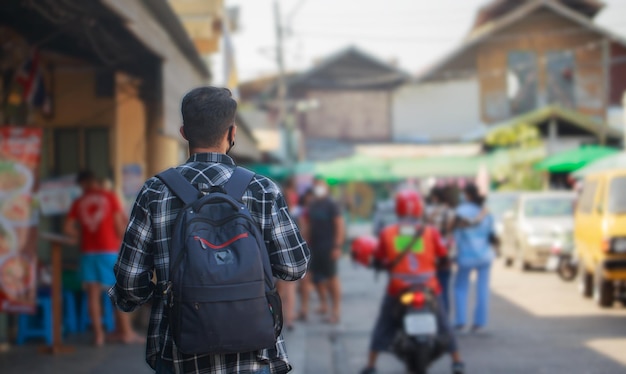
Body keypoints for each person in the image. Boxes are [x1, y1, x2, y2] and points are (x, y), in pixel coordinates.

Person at [108, 87, 310, 374]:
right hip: (253, 358)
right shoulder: (261, 189)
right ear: (232, 133)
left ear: (183, 132)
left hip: (180, 356)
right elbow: (295, 266)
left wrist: (158, 294)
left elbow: (129, 284)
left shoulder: (155, 191)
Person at [361, 190, 464, 374]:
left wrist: (378, 263)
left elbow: (378, 257)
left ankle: (371, 365)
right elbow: (443, 255)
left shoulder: (388, 232)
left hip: (398, 288)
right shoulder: (429, 231)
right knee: (443, 323)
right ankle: (457, 362)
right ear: (419, 209)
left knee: (384, 324)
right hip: (428, 287)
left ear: (398, 209)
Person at [64, 170, 141, 347]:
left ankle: (98, 336)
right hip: (108, 250)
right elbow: (118, 226)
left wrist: (79, 236)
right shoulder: (109, 197)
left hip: (88, 252)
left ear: (83, 184)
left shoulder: (79, 202)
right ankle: (127, 333)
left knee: (92, 295)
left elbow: (68, 228)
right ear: (96, 181)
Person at [453, 183, 495, 333]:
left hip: (465, 256)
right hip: (485, 256)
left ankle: (460, 322)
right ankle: (479, 323)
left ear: (466, 195)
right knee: (483, 289)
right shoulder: (486, 212)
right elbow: (492, 235)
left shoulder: (460, 211)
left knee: (460, 288)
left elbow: (455, 236)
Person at [302, 178, 344, 324]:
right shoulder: (313, 204)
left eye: (321, 185)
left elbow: (339, 225)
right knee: (313, 278)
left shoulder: (331, 205)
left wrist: (337, 246)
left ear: (326, 187)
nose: (319, 188)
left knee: (331, 278)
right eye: (316, 186)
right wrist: (304, 242)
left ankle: (336, 311)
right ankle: (323, 304)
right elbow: (309, 225)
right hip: (314, 247)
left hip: (328, 246)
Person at [425, 186, 455, 314]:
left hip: (428, 253)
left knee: (428, 288)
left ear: (433, 197)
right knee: (443, 287)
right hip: (445, 253)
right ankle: (444, 318)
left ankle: (430, 313)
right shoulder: (450, 212)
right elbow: (451, 231)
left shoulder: (426, 211)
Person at [275, 177, 299, 331]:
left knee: (287, 288)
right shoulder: (283, 213)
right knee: (282, 289)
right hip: (281, 254)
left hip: (284, 255)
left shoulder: (293, 212)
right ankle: (285, 317)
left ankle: (288, 317)